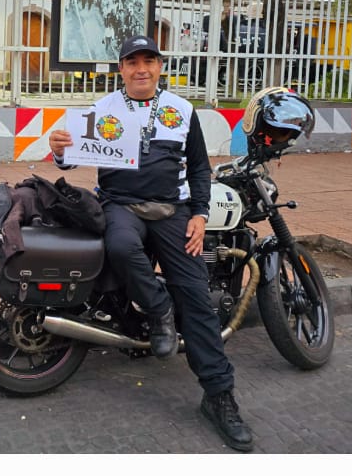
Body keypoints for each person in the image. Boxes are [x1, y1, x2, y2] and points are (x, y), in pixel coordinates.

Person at [48, 34, 254, 451]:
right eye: (132, 61)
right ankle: (160, 311)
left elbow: (198, 167)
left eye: (149, 60)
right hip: (120, 205)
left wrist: (198, 213)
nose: (141, 68)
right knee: (121, 247)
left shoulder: (181, 110)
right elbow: (70, 155)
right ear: (121, 69)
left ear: (160, 66)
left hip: (173, 210)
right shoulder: (101, 110)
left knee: (196, 296)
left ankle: (219, 396)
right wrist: (58, 149)